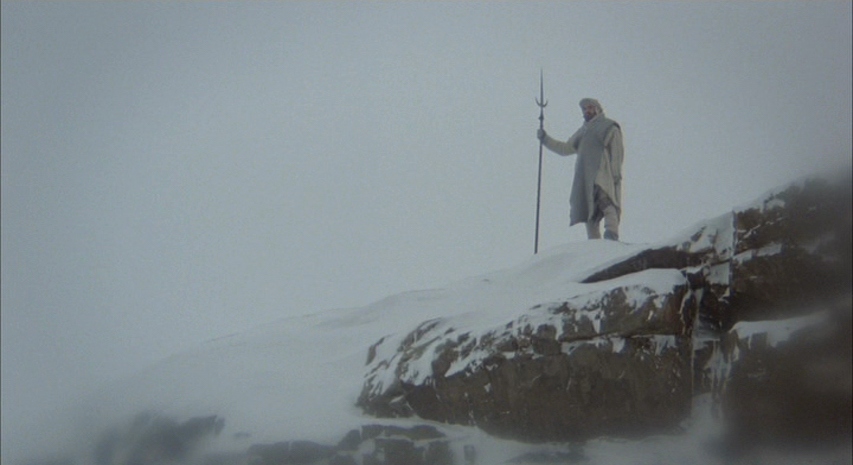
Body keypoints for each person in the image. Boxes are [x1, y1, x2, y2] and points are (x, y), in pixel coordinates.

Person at [537, 98, 624, 240]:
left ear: (597, 109)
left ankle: (611, 233)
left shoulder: (608, 127)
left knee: (606, 202)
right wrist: (545, 139)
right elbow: (565, 148)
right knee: (589, 211)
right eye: (584, 109)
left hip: (602, 174)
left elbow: (617, 153)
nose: (587, 111)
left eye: (590, 107)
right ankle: (593, 243)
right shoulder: (582, 132)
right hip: (584, 177)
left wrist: (615, 176)